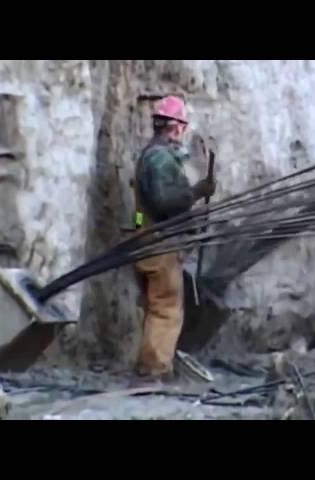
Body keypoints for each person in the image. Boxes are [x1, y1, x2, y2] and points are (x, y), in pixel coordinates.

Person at [132, 95, 216, 382]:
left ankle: (149, 365)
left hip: (150, 240)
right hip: (160, 244)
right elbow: (165, 202)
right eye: (182, 126)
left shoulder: (152, 154)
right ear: (175, 127)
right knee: (166, 307)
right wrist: (197, 192)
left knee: (156, 304)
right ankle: (155, 370)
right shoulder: (160, 159)